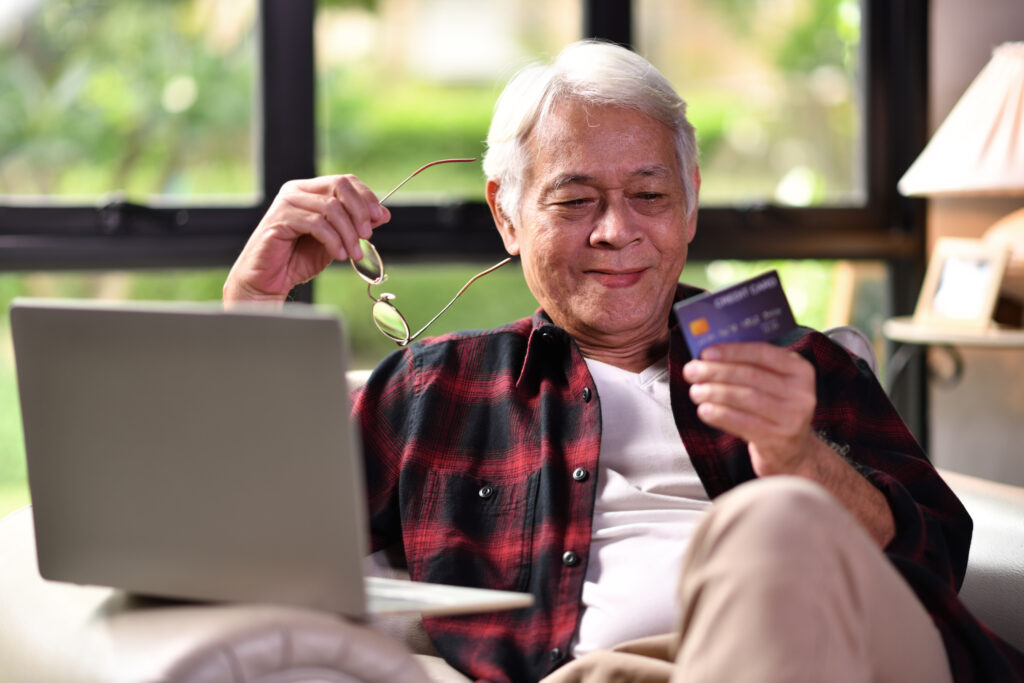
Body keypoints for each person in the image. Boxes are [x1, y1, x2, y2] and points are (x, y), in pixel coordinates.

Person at [224, 40, 1024, 683]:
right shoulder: (438, 389)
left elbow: (933, 559)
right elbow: (251, 543)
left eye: (649, 195)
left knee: (777, 519)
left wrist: (797, 457)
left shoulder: (798, 363)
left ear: (691, 199)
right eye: (575, 201)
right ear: (508, 213)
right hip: (600, 671)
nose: (617, 231)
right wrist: (252, 314)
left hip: (851, 652)